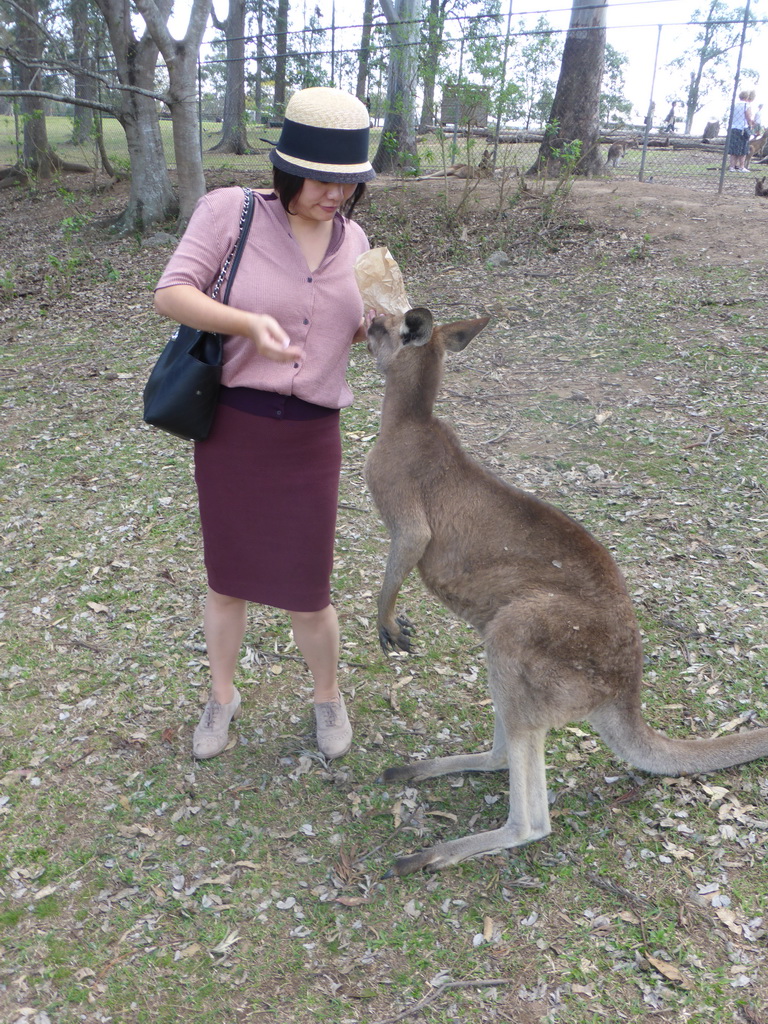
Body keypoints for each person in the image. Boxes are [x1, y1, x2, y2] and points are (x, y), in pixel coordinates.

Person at [153, 87, 376, 761]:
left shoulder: (357, 240)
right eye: (321, 178)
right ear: (286, 167)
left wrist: (388, 326)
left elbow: (352, 329)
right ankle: (221, 697)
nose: (334, 194)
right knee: (228, 581)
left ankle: (327, 695)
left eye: (347, 182)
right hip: (236, 429)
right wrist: (248, 322)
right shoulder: (232, 211)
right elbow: (172, 293)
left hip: (311, 437)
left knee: (309, 593)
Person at [728, 89, 755, 171]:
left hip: (733, 128)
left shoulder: (734, 105)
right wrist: (751, 126)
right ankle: (741, 166)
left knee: (734, 148)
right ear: (747, 97)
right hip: (742, 129)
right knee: (743, 148)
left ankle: (732, 166)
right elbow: (748, 117)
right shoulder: (746, 105)